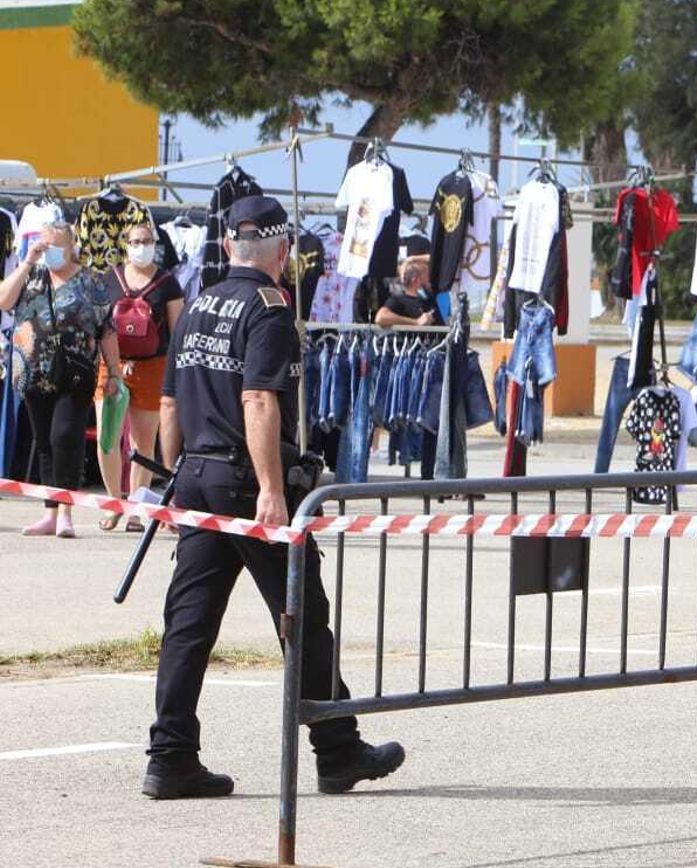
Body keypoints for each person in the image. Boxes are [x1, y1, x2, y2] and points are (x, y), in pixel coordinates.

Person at [145, 195, 404, 799]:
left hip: (196, 478)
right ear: (283, 251)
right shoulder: (269, 310)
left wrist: (171, 478)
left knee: (188, 625)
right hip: (245, 482)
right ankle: (337, 752)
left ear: (231, 246)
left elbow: (167, 404)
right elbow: (259, 401)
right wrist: (269, 490)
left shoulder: (197, 303)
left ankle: (171, 756)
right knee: (305, 619)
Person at [0, 222, 122, 538]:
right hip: (32, 371)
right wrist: (28, 261)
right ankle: (50, 513)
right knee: (44, 443)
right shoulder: (32, 277)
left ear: (71, 247)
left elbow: (106, 328)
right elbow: (4, 301)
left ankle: (67, 510)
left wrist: (114, 372)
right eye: (45, 244)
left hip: (76, 372)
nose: (50, 251)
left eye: (56, 245)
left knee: (64, 436)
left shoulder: (90, 282)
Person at [95, 222, 186, 532]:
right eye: (135, 241)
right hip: (111, 366)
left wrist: (175, 374)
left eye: (146, 241)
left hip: (152, 366)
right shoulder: (109, 279)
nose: (141, 246)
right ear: (125, 245)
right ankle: (113, 502)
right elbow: (99, 324)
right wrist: (110, 365)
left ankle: (134, 508)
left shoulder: (168, 283)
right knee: (108, 439)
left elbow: (178, 331)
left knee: (142, 442)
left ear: (155, 244)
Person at [374, 256, 439, 328]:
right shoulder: (399, 299)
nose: (429, 280)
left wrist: (413, 259)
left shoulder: (430, 298)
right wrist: (416, 322)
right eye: (427, 276)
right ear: (415, 280)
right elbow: (380, 318)